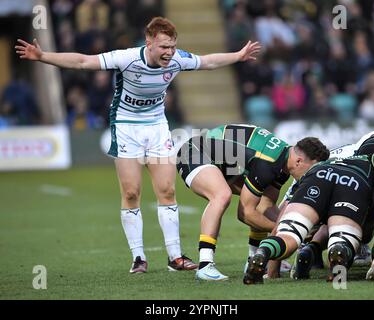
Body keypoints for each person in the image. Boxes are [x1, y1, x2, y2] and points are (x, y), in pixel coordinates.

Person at [15, 17, 262, 273]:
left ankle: (175, 257)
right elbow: (83, 61)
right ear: (149, 42)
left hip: (157, 127)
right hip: (125, 126)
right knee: (131, 192)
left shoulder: (178, 59)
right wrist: (43, 56)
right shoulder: (127, 58)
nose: (169, 52)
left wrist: (239, 55)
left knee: (167, 191)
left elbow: (208, 61)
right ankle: (138, 257)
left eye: (172, 46)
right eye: (164, 47)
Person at [176, 124, 329, 280]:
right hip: (194, 152)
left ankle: (253, 259)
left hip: (223, 163)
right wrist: (286, 233)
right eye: (312, 170)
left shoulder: (283, 164)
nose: (312, 176)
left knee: (259, 200)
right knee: (221, 195)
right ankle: (205, 265)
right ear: (299, 161)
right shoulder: (268, 163)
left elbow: (265, 207)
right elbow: (245, 214)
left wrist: (294, 226)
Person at [243, 147, 374, 285]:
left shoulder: (314, 167)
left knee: (288, 235)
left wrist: (273, 272)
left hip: (318, 176)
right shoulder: (369, 160)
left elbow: (280, 220)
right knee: (343, 237)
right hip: (354, 180)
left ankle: (263, 251)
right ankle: (339, 250)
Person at [289, 129, 374, 280]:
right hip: (364, 165)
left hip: (364, 157)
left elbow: (281, 214)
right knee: (354, 215)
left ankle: (311, 249)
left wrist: (272, 267)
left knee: (337, 214)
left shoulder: (308, 171)